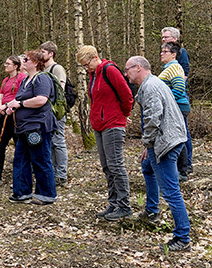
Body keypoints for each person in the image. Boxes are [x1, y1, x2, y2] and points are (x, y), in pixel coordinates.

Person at [125, 56, 191, 252]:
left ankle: (182, 237)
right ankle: (151, 210)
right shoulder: (152, 83)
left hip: (167, 143)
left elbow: (154, 117)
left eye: (128, 69)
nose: (125, 73)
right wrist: (149, 146)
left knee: (171, 191)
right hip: (167, 139)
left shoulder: (151, 87)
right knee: (147, 166)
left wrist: (148, 141)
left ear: (138, 68)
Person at [76, 45, 134, 221]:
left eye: (87, 64)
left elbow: (126, 95)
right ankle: (114, 202)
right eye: (84, 66)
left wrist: (124, 114)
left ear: (94, 57)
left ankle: (124, 205)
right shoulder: (94, 75)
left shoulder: (110, 70)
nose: (86, 69)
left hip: (113, 124)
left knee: (116, 164)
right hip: (99, 125)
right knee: (107, 166)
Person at [5, 50, 58, 205]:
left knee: (40, 159)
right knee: (20, 159)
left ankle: (47, 194)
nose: (23, 61)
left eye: (27, 59)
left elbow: (41, 100)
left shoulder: (42, 78)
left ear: (35, 62)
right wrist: (11, 106)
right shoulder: (25, 80)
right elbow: (19, 99)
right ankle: (21, 192)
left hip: (37, 127)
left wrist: (20, 104)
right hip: (23, 127)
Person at [0, 56, 26, 187]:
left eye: (8, 64)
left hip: (16, 116)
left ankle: (20, 177)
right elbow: (1, 95)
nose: (5, 66)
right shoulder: (5, 80)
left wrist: (7, 105)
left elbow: (20, 96)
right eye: (5, 63)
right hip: (4, 116)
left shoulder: (21, 78)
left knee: (19, 146)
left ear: (15, 66)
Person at [159, 41, 193, 180]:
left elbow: (179, 88)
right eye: (161, 51)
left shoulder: (173, 67)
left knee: (178, 138)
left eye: (165, 52)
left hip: (178, 107)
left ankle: (182, 171)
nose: (161, 54)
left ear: (173, 54)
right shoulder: (169, 67)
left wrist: (167, 103)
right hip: (177, 106)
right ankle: (178, 170)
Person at [39, 41, 69, 186]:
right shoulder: (42, 69)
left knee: (58, 142)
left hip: (56, 112)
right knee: (50, 143)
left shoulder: (57, 69)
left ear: (51, 54)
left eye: (43, 52)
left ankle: (61, 175)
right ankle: (52, 172)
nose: (41, 54)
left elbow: (60, 91)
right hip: (45, 113)